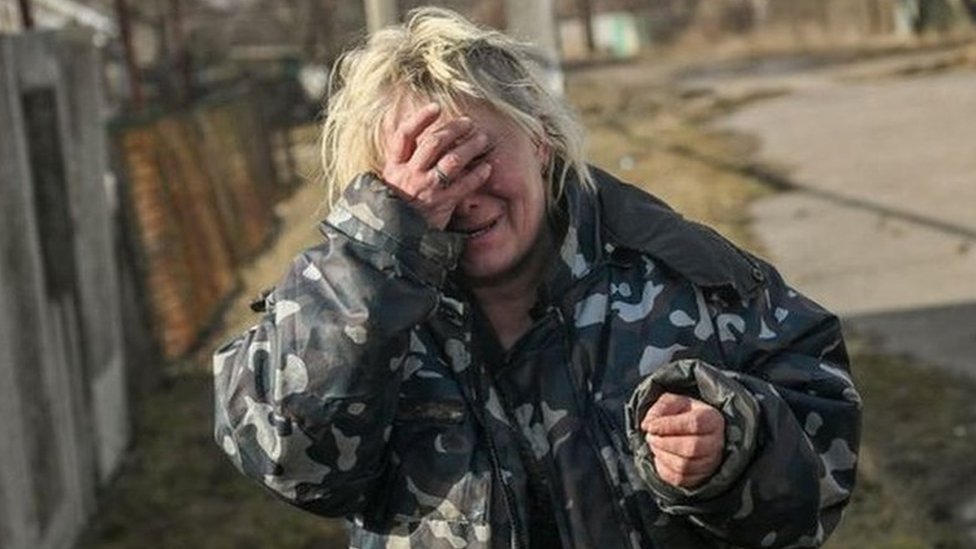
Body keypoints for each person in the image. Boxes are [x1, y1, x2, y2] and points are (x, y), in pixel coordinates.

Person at [213, 7, 861, 548]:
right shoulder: (344, 303)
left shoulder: (684, 277)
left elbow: (822, 442)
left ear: (541, 140)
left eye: (475, 154)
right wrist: (381, 245)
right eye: (422, 170)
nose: (460, 194)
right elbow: (289, 459)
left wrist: (732, 447)